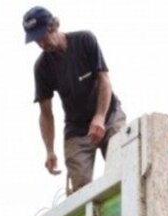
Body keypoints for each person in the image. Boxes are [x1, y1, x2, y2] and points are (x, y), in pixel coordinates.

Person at [23, 6, 127, 194]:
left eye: (42, 36)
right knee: (80, 191)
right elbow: (46, 113)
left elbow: (104, 81)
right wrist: (49, 150)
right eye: (36, 40)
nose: (41, 43)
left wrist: (100, 117)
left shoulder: (84, 40)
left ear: (52, 26)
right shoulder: (42, 68)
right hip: (77, 129)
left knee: (122, 167)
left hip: (108, 115)